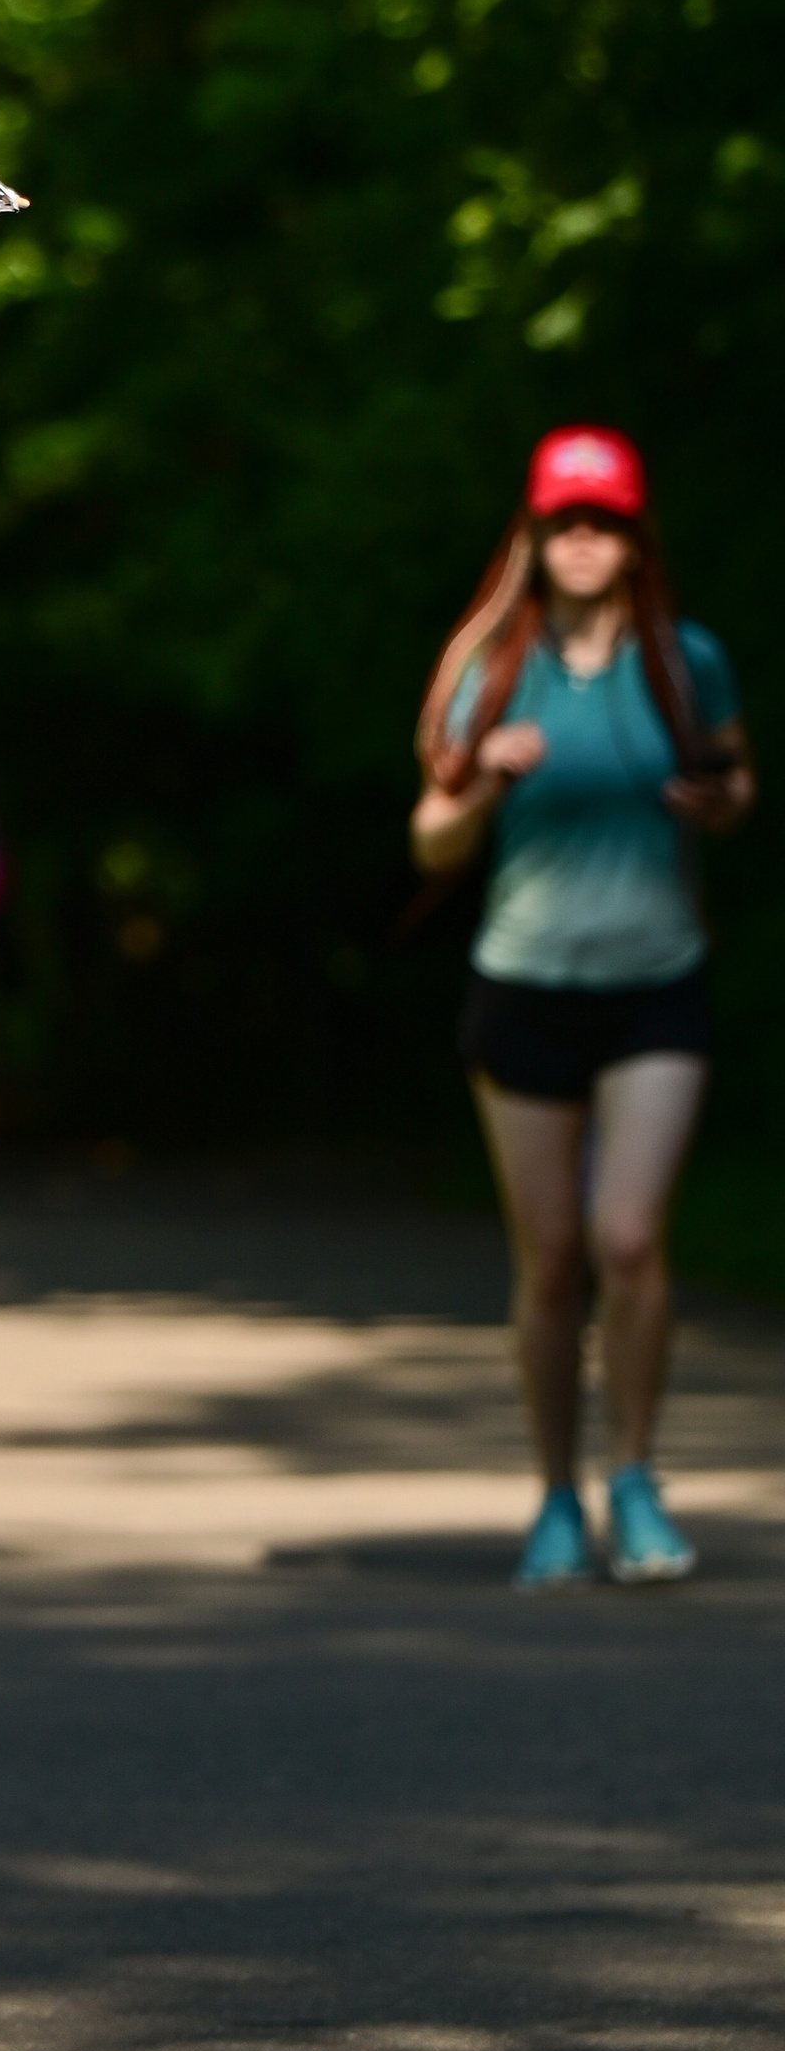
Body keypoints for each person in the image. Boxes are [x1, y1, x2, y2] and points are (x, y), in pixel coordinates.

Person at [411, 425, 754, 1590]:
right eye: (565, 520)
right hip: (523, 988)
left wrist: (715, 802)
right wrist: (487, 778)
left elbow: (735, 778)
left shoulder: (685, 658)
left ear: (633, 534)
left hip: (656, 983)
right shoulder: (491, 667)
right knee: (551, 1259)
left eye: (603, 520)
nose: (583, 539)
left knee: (628, 1237)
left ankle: (639, 1477)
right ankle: (557, 1494)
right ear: (536, 532)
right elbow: (429, 832)